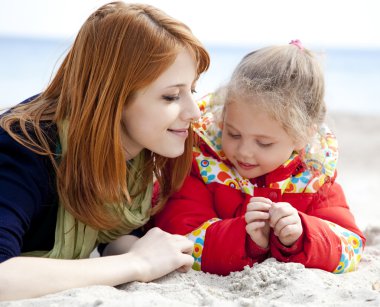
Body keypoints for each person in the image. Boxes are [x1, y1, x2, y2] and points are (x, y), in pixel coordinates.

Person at [0, 1, 210, 300]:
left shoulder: (129, 151)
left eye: (193, 90)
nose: (194, 112)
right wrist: (136, 263)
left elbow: (108, 233)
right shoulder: (25, 147)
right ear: (113, 98)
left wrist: (139, 248)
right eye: (171, 96)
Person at [154, 40, 365, 276]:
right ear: (223, 116)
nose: (243, 151)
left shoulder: (313, 180)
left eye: (263, 143)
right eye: (233, 133)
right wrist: (245, 237)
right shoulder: (202, 164)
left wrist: (302, 235)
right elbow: (180, 240)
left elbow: (350, 248)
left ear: (302, 136)